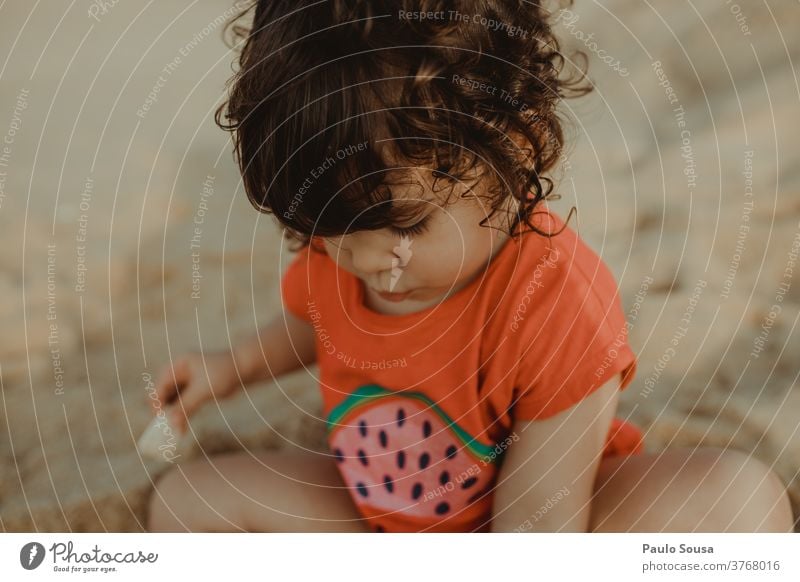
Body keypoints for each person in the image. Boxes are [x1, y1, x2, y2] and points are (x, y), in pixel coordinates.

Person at [146, 0, 794, 533]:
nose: (371, 266)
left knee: (739, 501)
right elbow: (315, 321)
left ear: (515, 143)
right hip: (377, 515)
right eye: (327, 237)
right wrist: (229, 369)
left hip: (542, 521)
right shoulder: (340, 234)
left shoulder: (555, 299)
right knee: (185, 502)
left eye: (404, 227)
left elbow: (543, 522)